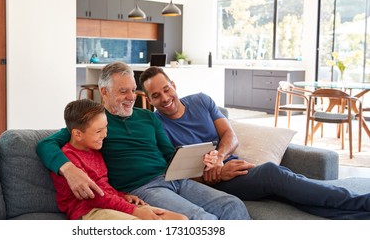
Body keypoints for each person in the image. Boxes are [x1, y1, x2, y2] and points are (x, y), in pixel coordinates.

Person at [138, 66, 370, 220]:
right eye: (156, 95)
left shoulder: (201, 101)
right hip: (209, 185)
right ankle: (360, 202)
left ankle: (355, 214)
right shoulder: (155, 126)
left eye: (166, 89)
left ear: (174, 85)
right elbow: (174, 176)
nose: (165, 98)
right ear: (148, 100)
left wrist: (219, 158)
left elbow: (231, 136)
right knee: (273, 173)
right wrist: (217, 173)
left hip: (234, 167)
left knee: (288, 184)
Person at [37, 61, 250, 220]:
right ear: (104, 92)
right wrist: (69, 170)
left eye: (133, 90)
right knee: (200, 219)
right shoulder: (93, 122)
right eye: (123, 91)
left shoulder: (148, 117)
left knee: (232, 204)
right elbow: (45, 144)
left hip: (174, 180)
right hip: (142, 188)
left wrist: (202, 162)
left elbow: (169, 155)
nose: (131, 97)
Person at [53, 98, 187, 220]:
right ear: (77, 134)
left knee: (180, 219)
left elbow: (103, 186)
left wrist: (122, 196)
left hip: (111, 202)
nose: (105, 134)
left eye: (106, 127)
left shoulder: (95, 150)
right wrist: (135, 211)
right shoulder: (68, 157)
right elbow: (94, 197)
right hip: (89, 210)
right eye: (98, 131)